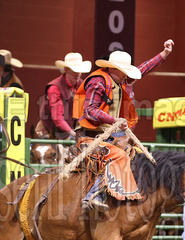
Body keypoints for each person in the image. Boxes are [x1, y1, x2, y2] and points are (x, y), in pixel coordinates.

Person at [73, 39, 174, 212]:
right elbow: (89, 110)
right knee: (118, 155)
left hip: (107, 135)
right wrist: (114, 121)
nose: (127, 75)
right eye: (124, 71)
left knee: (139, 155)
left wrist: (164, 54)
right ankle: (92, 196)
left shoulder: (119, 80)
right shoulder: (98, 82)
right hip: (89, 137)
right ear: (113, 69)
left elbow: (143, 69)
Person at [37, 52, 91, 140]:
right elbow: (57, 118)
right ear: (66, 69)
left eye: (79, 71)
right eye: (75, 71)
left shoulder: (82, 85)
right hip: (49, 131)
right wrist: (73, 133)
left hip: (70, 132)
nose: (78, 74)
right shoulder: (55, 87)